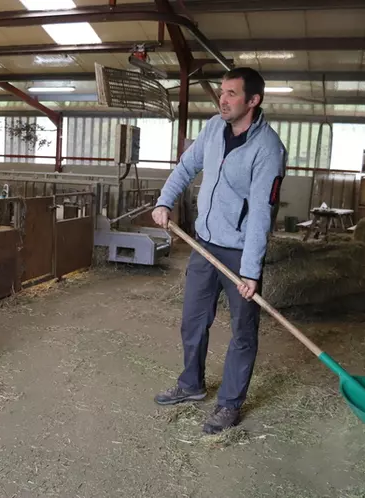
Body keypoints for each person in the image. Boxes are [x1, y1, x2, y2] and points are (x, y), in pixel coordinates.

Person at [151, 67, 287, 434]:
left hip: (239, 252)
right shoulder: (212, 129)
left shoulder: (268, 149)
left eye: (231, 93)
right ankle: (191, 385)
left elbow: (261, 212)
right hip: (203, 243)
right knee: (193, 320)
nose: (222, 99)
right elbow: (186, 167)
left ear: (253, 101)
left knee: (243, 331)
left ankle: (229, 404)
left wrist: (251, 271)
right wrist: (165, 201)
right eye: (221, 92)